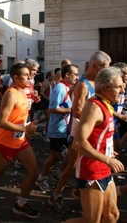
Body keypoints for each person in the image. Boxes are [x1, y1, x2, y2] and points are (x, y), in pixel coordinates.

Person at [0, 63, 40, 218]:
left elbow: (19, 115)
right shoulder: (10, 94)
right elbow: (2, 122)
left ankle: (21, 204)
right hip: (4, 142)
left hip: (20, 141)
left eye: (29, 74)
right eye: (25, 74)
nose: (29, 76)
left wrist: (33, 101)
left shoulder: (25, 92)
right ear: (16, 77)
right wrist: (26, 129)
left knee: (33, 172)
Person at [50, 51, 111, 213]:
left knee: (88, 165)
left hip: (93, 133)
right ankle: (56, 195)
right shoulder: (83, 84)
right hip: (79, 133)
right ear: (94, 66)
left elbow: (73, 96)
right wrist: (95, 115)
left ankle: (80, 191)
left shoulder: (95, 83)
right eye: (105, 68)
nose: (107, 71)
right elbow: (76, 111)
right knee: (72, 166)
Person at [65, 67, 125, 223]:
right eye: (118, 86)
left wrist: (108, 152)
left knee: (112, 216)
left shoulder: (106, 106)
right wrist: (107, 159)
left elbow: (100, 136)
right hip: (91, 170)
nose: (122, 90)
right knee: (91, 221)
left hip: (104, 167)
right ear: (105, 89)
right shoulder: (94, 107)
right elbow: (78, 142)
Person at [35, 65, 78, 198]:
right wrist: (71, 110)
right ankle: (41, 177)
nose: (77, 77)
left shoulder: (68, 88)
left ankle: (60, 174)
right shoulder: (60, 88)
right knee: (55, 156)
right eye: (75, 74)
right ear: (67, 75)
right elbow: (52, 108)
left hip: (66, 129)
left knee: (71, 155)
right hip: (58, 129)